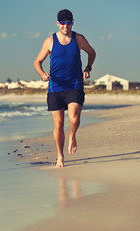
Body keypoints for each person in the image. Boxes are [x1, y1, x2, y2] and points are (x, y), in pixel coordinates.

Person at [34, 9, 96, 168]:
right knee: (59, 124)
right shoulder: (50, 41)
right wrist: (42, 74)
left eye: (68, 23)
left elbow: (92, 52)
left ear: (72, 23)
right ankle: (60, 156)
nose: (65, 26)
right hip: (55, 87)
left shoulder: (79, 39)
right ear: (57, 23)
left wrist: (88, 68)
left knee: (74, 118)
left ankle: (73, 136)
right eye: (62, 23)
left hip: (74, 84)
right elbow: (37, 62)